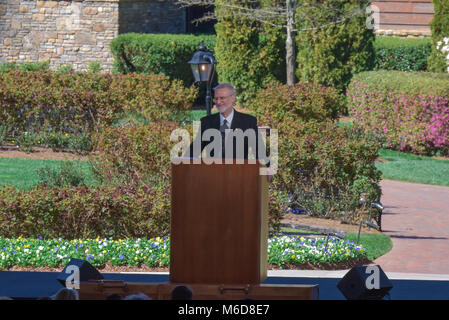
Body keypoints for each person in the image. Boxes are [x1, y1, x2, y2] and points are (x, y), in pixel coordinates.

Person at [188, 83, 270, 167]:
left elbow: (260, 151)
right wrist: (183, 167)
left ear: (233, 98)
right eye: (216, 99)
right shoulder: (207, 122)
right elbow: (193, 151)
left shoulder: (248, 122)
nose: (218, 102)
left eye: (222, 98)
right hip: (213, 175)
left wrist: (267, 169)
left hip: (240, 175)